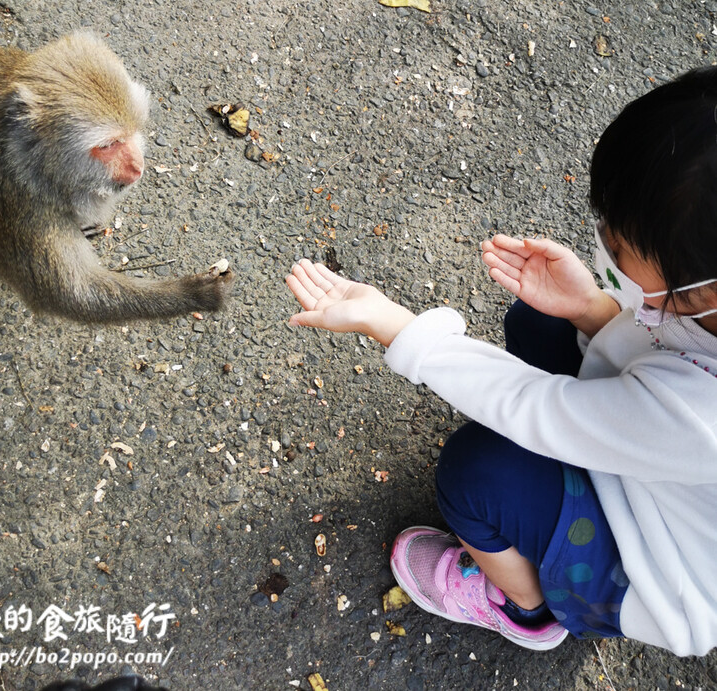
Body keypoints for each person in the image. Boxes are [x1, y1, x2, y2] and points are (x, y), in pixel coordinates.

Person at [284, 66, 717, 655]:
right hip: (650, 455)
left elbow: (536, 406)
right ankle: (545, 503)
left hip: (653, 565)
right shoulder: (701, 314)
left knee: (477, 474)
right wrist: (591, 308)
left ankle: (531, 610)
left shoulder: (701, 421)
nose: (604, 240)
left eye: (619, 246)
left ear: (703, 293)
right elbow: (662, 357)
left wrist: (395, 326)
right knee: (545, 317)